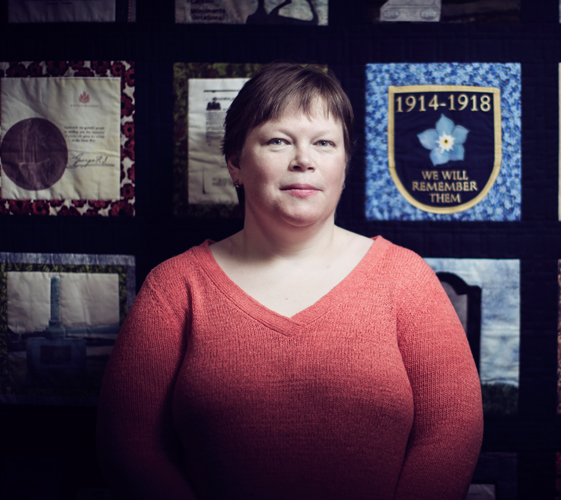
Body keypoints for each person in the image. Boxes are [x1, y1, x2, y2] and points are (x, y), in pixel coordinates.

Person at [97, 63, 483, 499]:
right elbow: (129, 444)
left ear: (344, 164)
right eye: (278, 141)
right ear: (235, 165)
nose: (304, 160)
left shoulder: (406, 279)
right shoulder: (174, 287)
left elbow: (452, 430)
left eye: (324, 143)